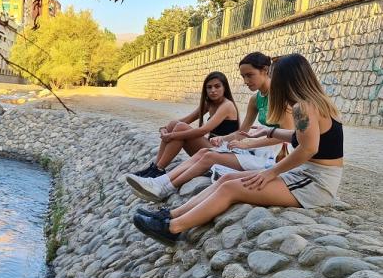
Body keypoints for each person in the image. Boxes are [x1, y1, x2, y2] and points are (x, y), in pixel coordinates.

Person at [133, 53, 344, 246]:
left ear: (286, 80)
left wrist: (270, 173)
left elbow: (308, 148)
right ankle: (171, 215)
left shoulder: (303, 107)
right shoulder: (317, 103)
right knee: (226, 179)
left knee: (230, 189)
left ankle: (172, 228)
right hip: (308, 176)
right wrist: (268, 132)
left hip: (315, 183)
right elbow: (301, 137)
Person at [126, 52, 293, 201]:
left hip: (274, 158)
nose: (246, 81)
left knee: (208, 156)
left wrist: (250, 143)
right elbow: (242, 132)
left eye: (249, 75)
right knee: (204, 151)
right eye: (243, 77)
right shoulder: (255, 99)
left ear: (265, 70)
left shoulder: (279, 98)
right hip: (254, 151)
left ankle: (163, 187)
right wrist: (225, 138)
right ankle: (158, 181)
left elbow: (290, 135)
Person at [131, 71, 240, 179]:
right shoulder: (209, 103)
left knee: (180, 128)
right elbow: (187, 119)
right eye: (209, 87)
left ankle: (159, 169)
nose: (213, 90)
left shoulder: (227, 105)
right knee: (174, 124)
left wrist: (171, 136)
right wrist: (165, 128)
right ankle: (155, 167)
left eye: (217, 86)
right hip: (211, 149)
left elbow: (203, 130)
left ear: (224, 87)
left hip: (224, 154)